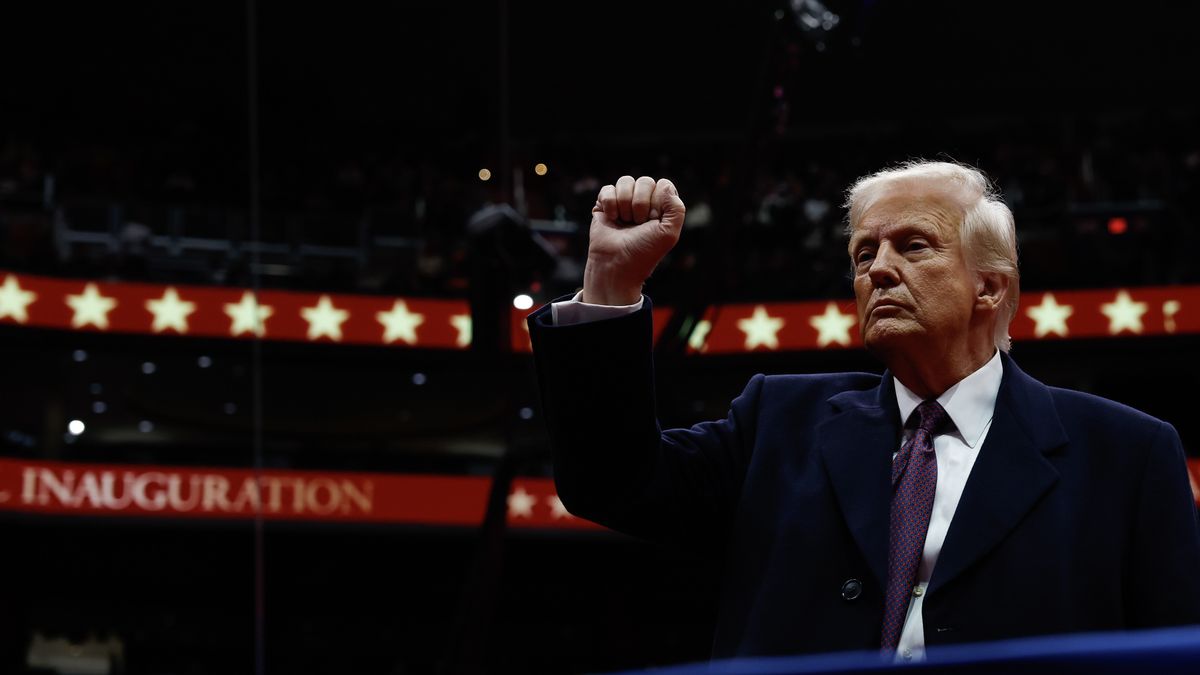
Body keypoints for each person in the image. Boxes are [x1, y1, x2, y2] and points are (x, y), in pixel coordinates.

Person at [526, 162, 1200, 660]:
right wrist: (611, 285)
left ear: (989, 287)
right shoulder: (778, 420)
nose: (877, 269)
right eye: (863, 253)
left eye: (913, 246)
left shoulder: (1128, 454)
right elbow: (611, 482)